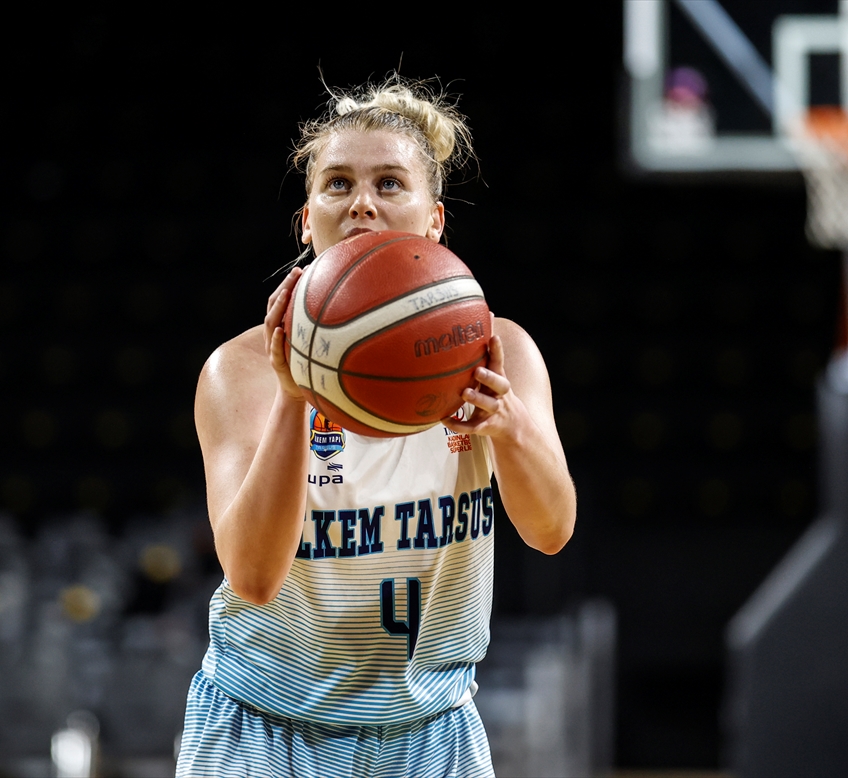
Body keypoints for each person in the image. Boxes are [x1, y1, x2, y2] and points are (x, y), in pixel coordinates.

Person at [179, 77, 576, 778]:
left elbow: (551, 531)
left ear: (435, 221)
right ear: (307, 221)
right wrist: (294, 396)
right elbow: (253, 577)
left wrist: (508, 426)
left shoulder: (500, 354)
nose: (361, 202)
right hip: (262, 725)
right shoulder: (237, 374)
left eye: (389, 182)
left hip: (430, 728)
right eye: (338, 183)